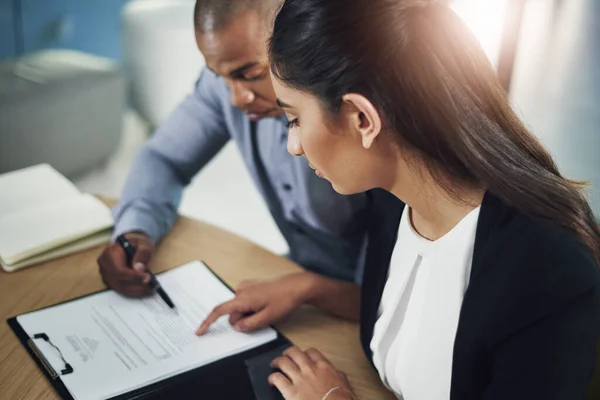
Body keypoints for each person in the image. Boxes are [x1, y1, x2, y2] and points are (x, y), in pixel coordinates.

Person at [200, 0, 600, 399]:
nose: (294, 147)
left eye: (294, 119)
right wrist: (309, 289)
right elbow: (411, 320)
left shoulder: (548, 272)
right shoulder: (393, 199)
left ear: (362, 119)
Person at [97, 0, 377, 333]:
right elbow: (164, 157)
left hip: (368, 311)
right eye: (221, 77)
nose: (235, 98)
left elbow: (393, 298)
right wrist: (135, 230)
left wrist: (309, 288)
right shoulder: (230, 86)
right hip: (295, 279)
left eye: (250, 74)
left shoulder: (359, 115)